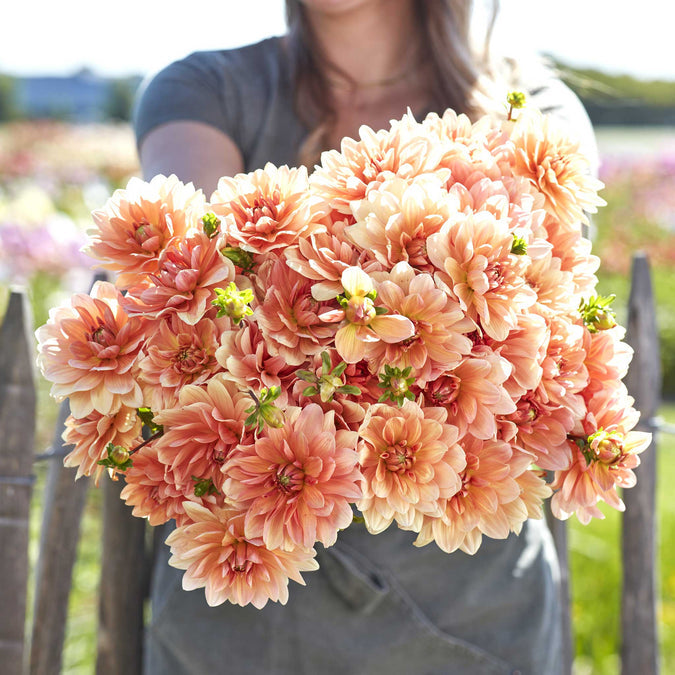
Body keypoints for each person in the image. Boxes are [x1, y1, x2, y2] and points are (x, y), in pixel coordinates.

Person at [133, 1, 598, 673]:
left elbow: (542, 326)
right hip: (242, 608)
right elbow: (188, 277)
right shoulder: (205, 90)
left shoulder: (532, 116)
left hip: (465, 613)